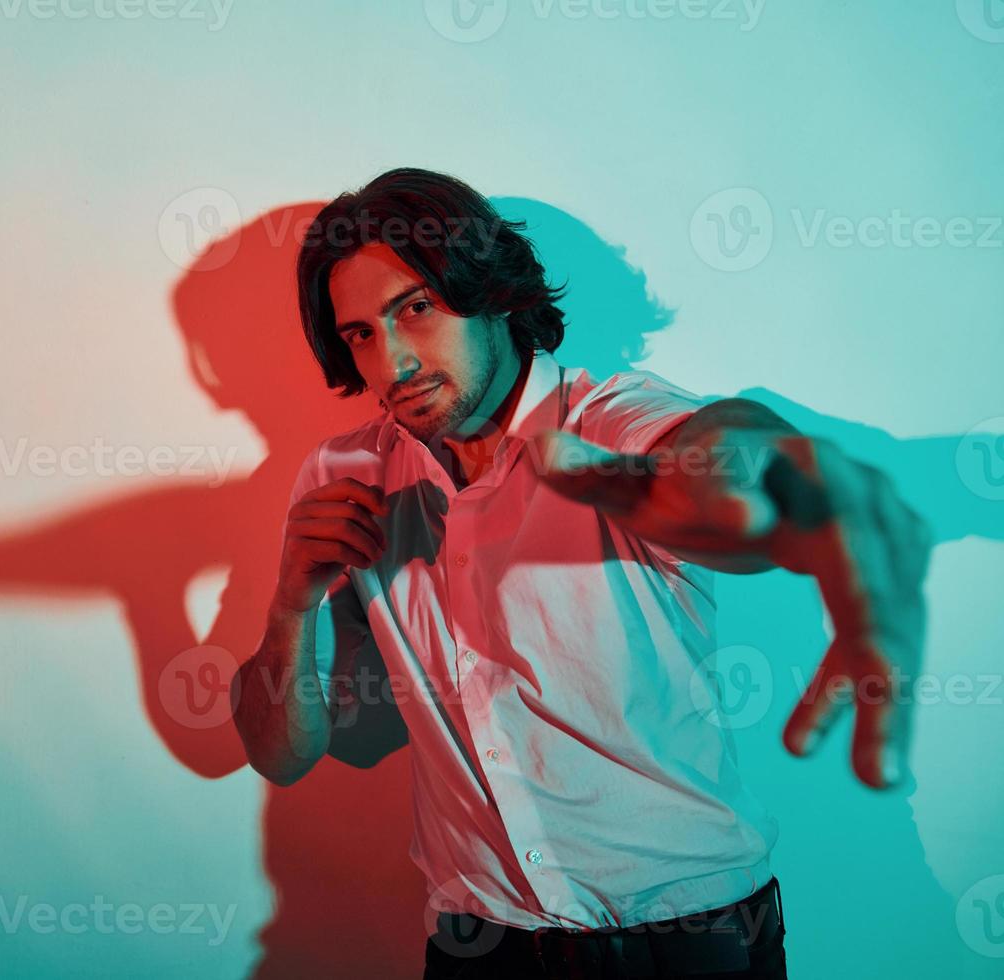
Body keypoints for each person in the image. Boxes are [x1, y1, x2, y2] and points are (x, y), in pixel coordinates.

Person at [230, 168, 933, 978]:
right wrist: (291, 606)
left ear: (490, 290)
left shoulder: (612, 426)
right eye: (359, 333)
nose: (391, 364)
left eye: (415, 309)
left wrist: (815, 493)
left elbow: (725, 454)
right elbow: (280, 755)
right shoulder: (344, 475)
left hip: (691, 947)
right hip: (478, 948)